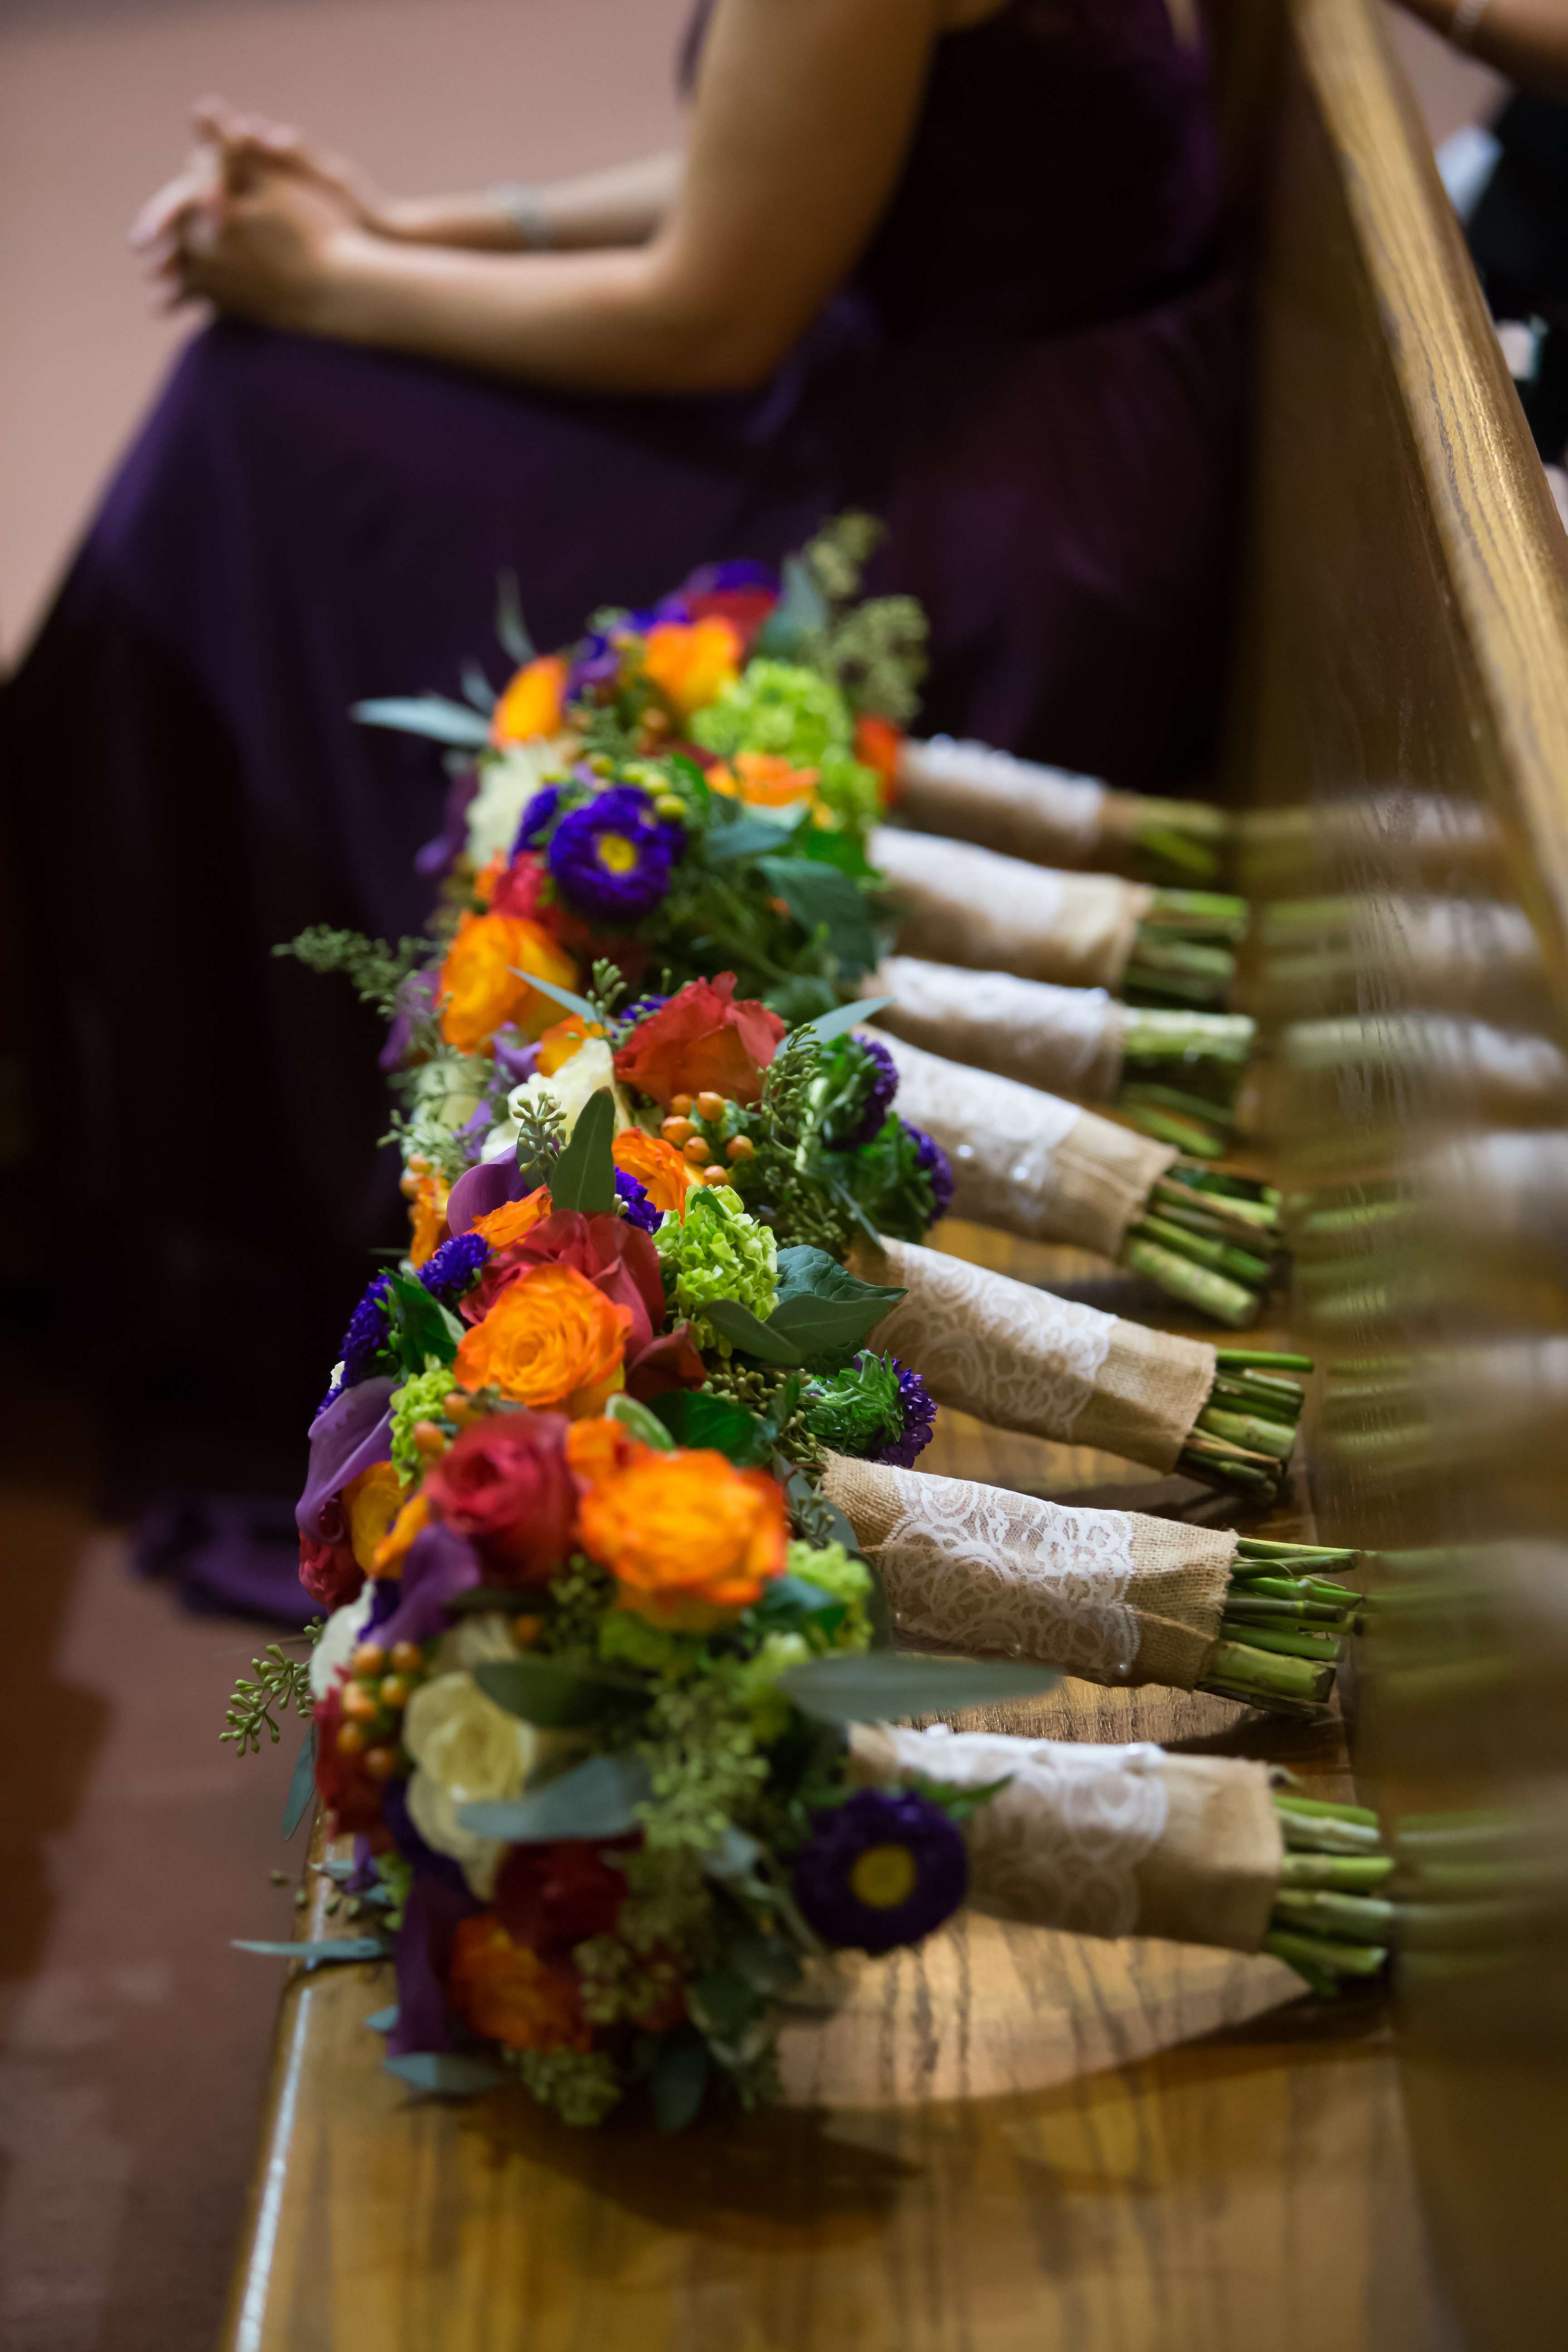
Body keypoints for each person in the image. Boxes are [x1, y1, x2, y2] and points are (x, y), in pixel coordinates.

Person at [0, 0, 1244, 1559]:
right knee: (280, 402)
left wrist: (326, 279)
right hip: (1044, 412)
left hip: (973, 515)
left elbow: (711, 319)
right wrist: (407, 234)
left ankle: (230, 1181)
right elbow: (791, 162)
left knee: (260, 425)